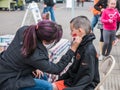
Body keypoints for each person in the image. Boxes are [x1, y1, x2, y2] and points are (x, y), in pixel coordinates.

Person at [0, 20, 82, 90]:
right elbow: (57, 69)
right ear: (46, 41)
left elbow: (22, 56)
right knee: (48, 86)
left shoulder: (24, 30)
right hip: (9, 80)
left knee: (43, 77)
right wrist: (72, 49)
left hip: (6, 67)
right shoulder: (35, 55)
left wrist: (34, 66)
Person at [52, 16, 100, 90]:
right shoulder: (82, 45)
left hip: (82, 86)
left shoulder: (88, 50)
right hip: (73, 81)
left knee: (48, 87)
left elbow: (87, 77)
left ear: (80, 31)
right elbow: (74, 68)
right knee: (48, 86)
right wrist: (61, 79)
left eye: (72, 30)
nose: (71, 33)